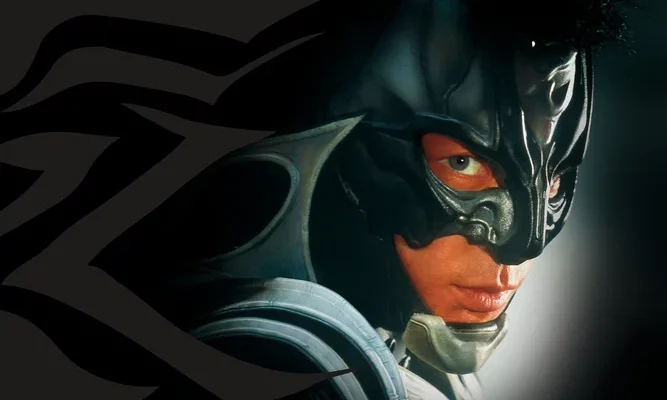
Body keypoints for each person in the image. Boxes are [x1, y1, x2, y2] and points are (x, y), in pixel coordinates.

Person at [103, 0, 628, 398]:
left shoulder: (424, 370)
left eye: (552, 181)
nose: (523, 243)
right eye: (461, 164)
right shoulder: (293, 362)